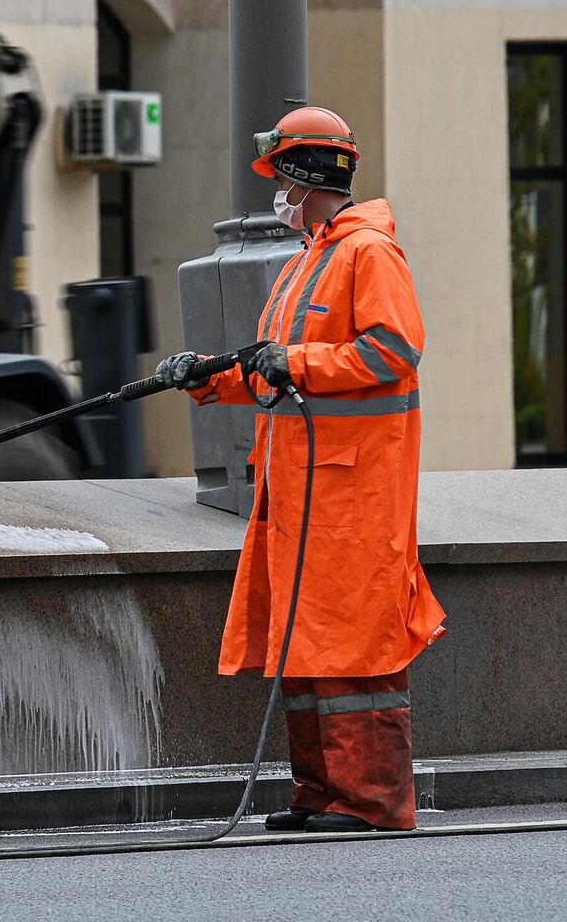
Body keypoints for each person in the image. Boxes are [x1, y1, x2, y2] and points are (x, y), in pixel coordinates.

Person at [156, 106, 446, 833]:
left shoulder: (367, 254)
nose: (277, 199)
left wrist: (297, 362)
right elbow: (274, 374)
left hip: (355, 499)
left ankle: (372, 801)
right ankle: (321, 795)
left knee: (354, 650)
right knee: (310, 644)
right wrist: (206, 378)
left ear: (309, 179)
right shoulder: (311, 259)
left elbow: (391, 352)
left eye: (283, 183)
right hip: (307, 494)